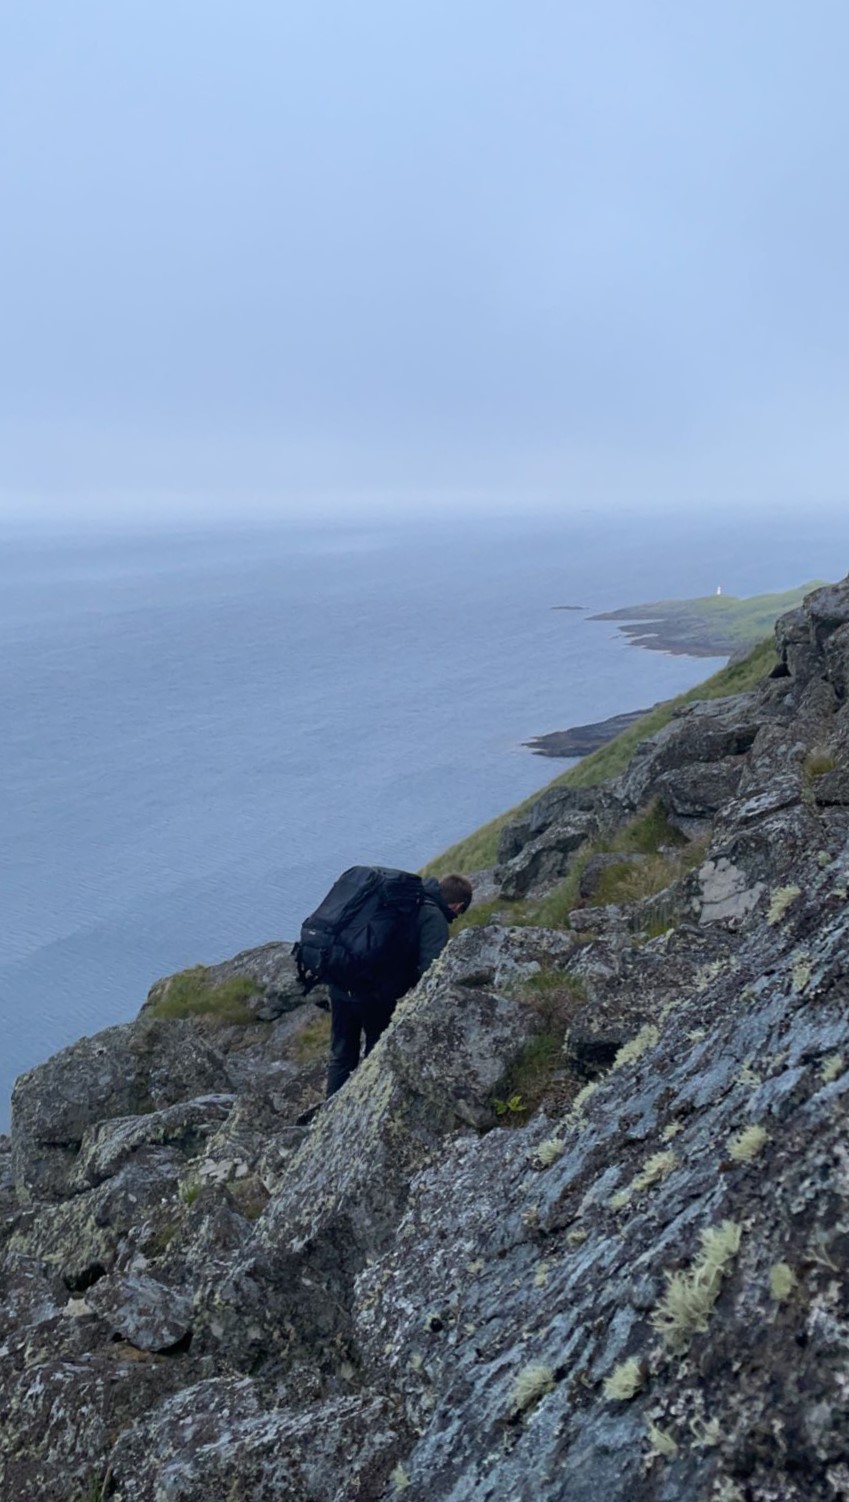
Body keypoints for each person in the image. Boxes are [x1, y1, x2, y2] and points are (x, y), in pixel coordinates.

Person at [326, 872, 473, 1096]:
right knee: (375, 1054)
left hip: (342, 981)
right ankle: (364, 1104)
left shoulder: (400, 898)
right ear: (457, 906)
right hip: (376, 995)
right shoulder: (433, 918)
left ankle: (329, 1112)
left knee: (341, 1055)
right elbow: (430, 972)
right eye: (460, 913)